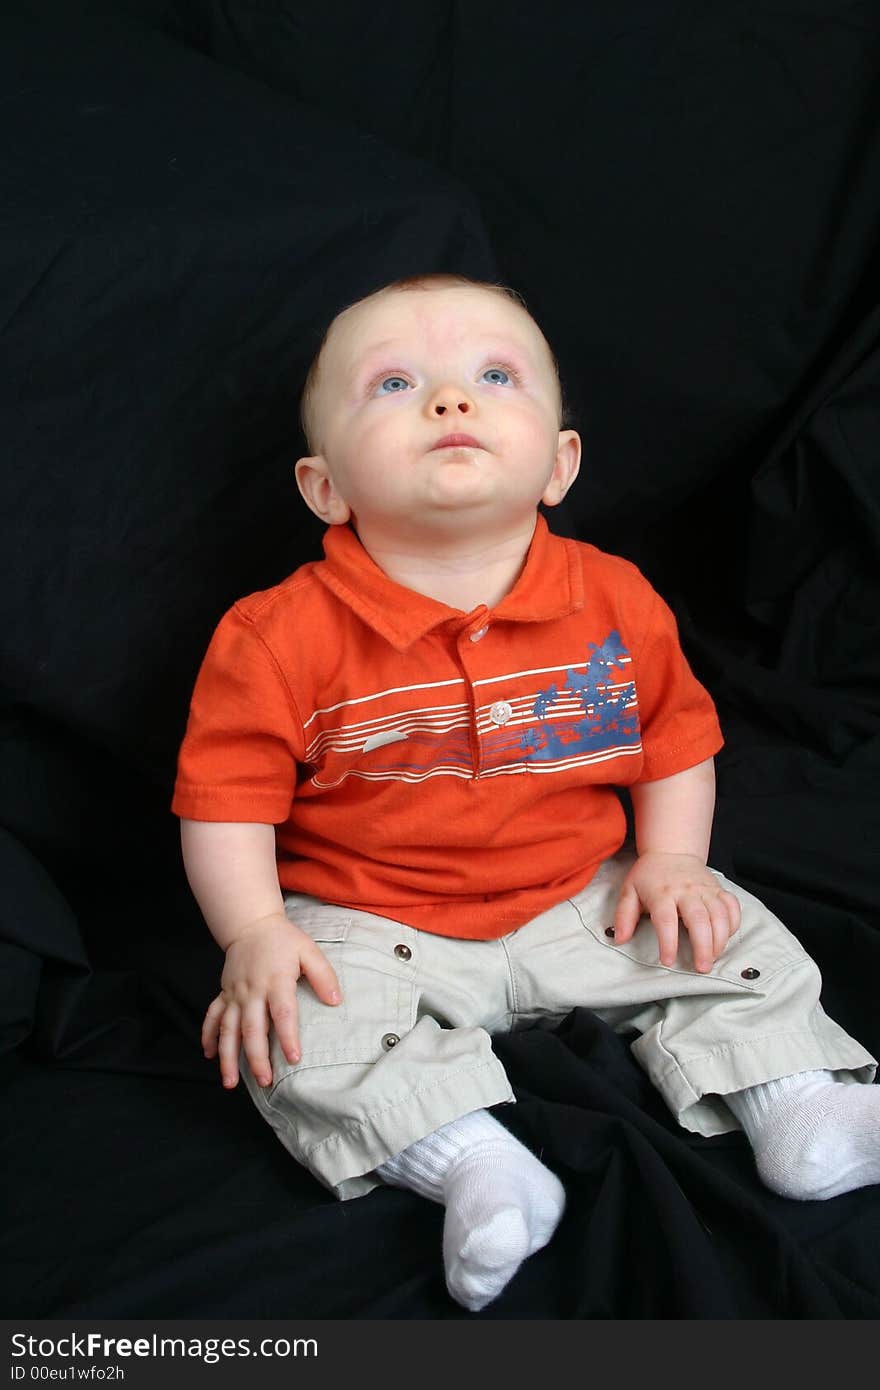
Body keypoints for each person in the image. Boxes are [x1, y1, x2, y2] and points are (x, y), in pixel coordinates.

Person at [172, 273, 879, 1312]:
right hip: (375, 920)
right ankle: (471, 1164)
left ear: (558, 464)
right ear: (325, 489)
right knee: (281, 1021)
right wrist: (253, 932)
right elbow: (225, 804)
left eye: (491, 376)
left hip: (582, 891)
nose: (449, 401)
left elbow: (674, 744)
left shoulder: (612, 598)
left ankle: (799, 1108)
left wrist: (672, 860)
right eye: (396, 382)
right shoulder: (273, 635)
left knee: (720, 930)